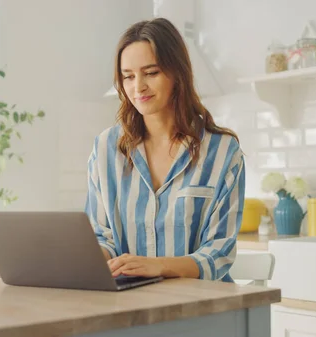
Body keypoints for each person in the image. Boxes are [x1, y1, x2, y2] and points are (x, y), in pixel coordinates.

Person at [84, 17, 245, 283]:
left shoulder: (222, 152)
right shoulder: (105, 149)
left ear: (177, 74)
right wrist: (81, 260)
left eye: (151, 73)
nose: (138, 87)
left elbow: (219, 253)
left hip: (200, 308)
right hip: (129, 304)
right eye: (128, 77)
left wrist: (159, 266)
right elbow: (103, 238)